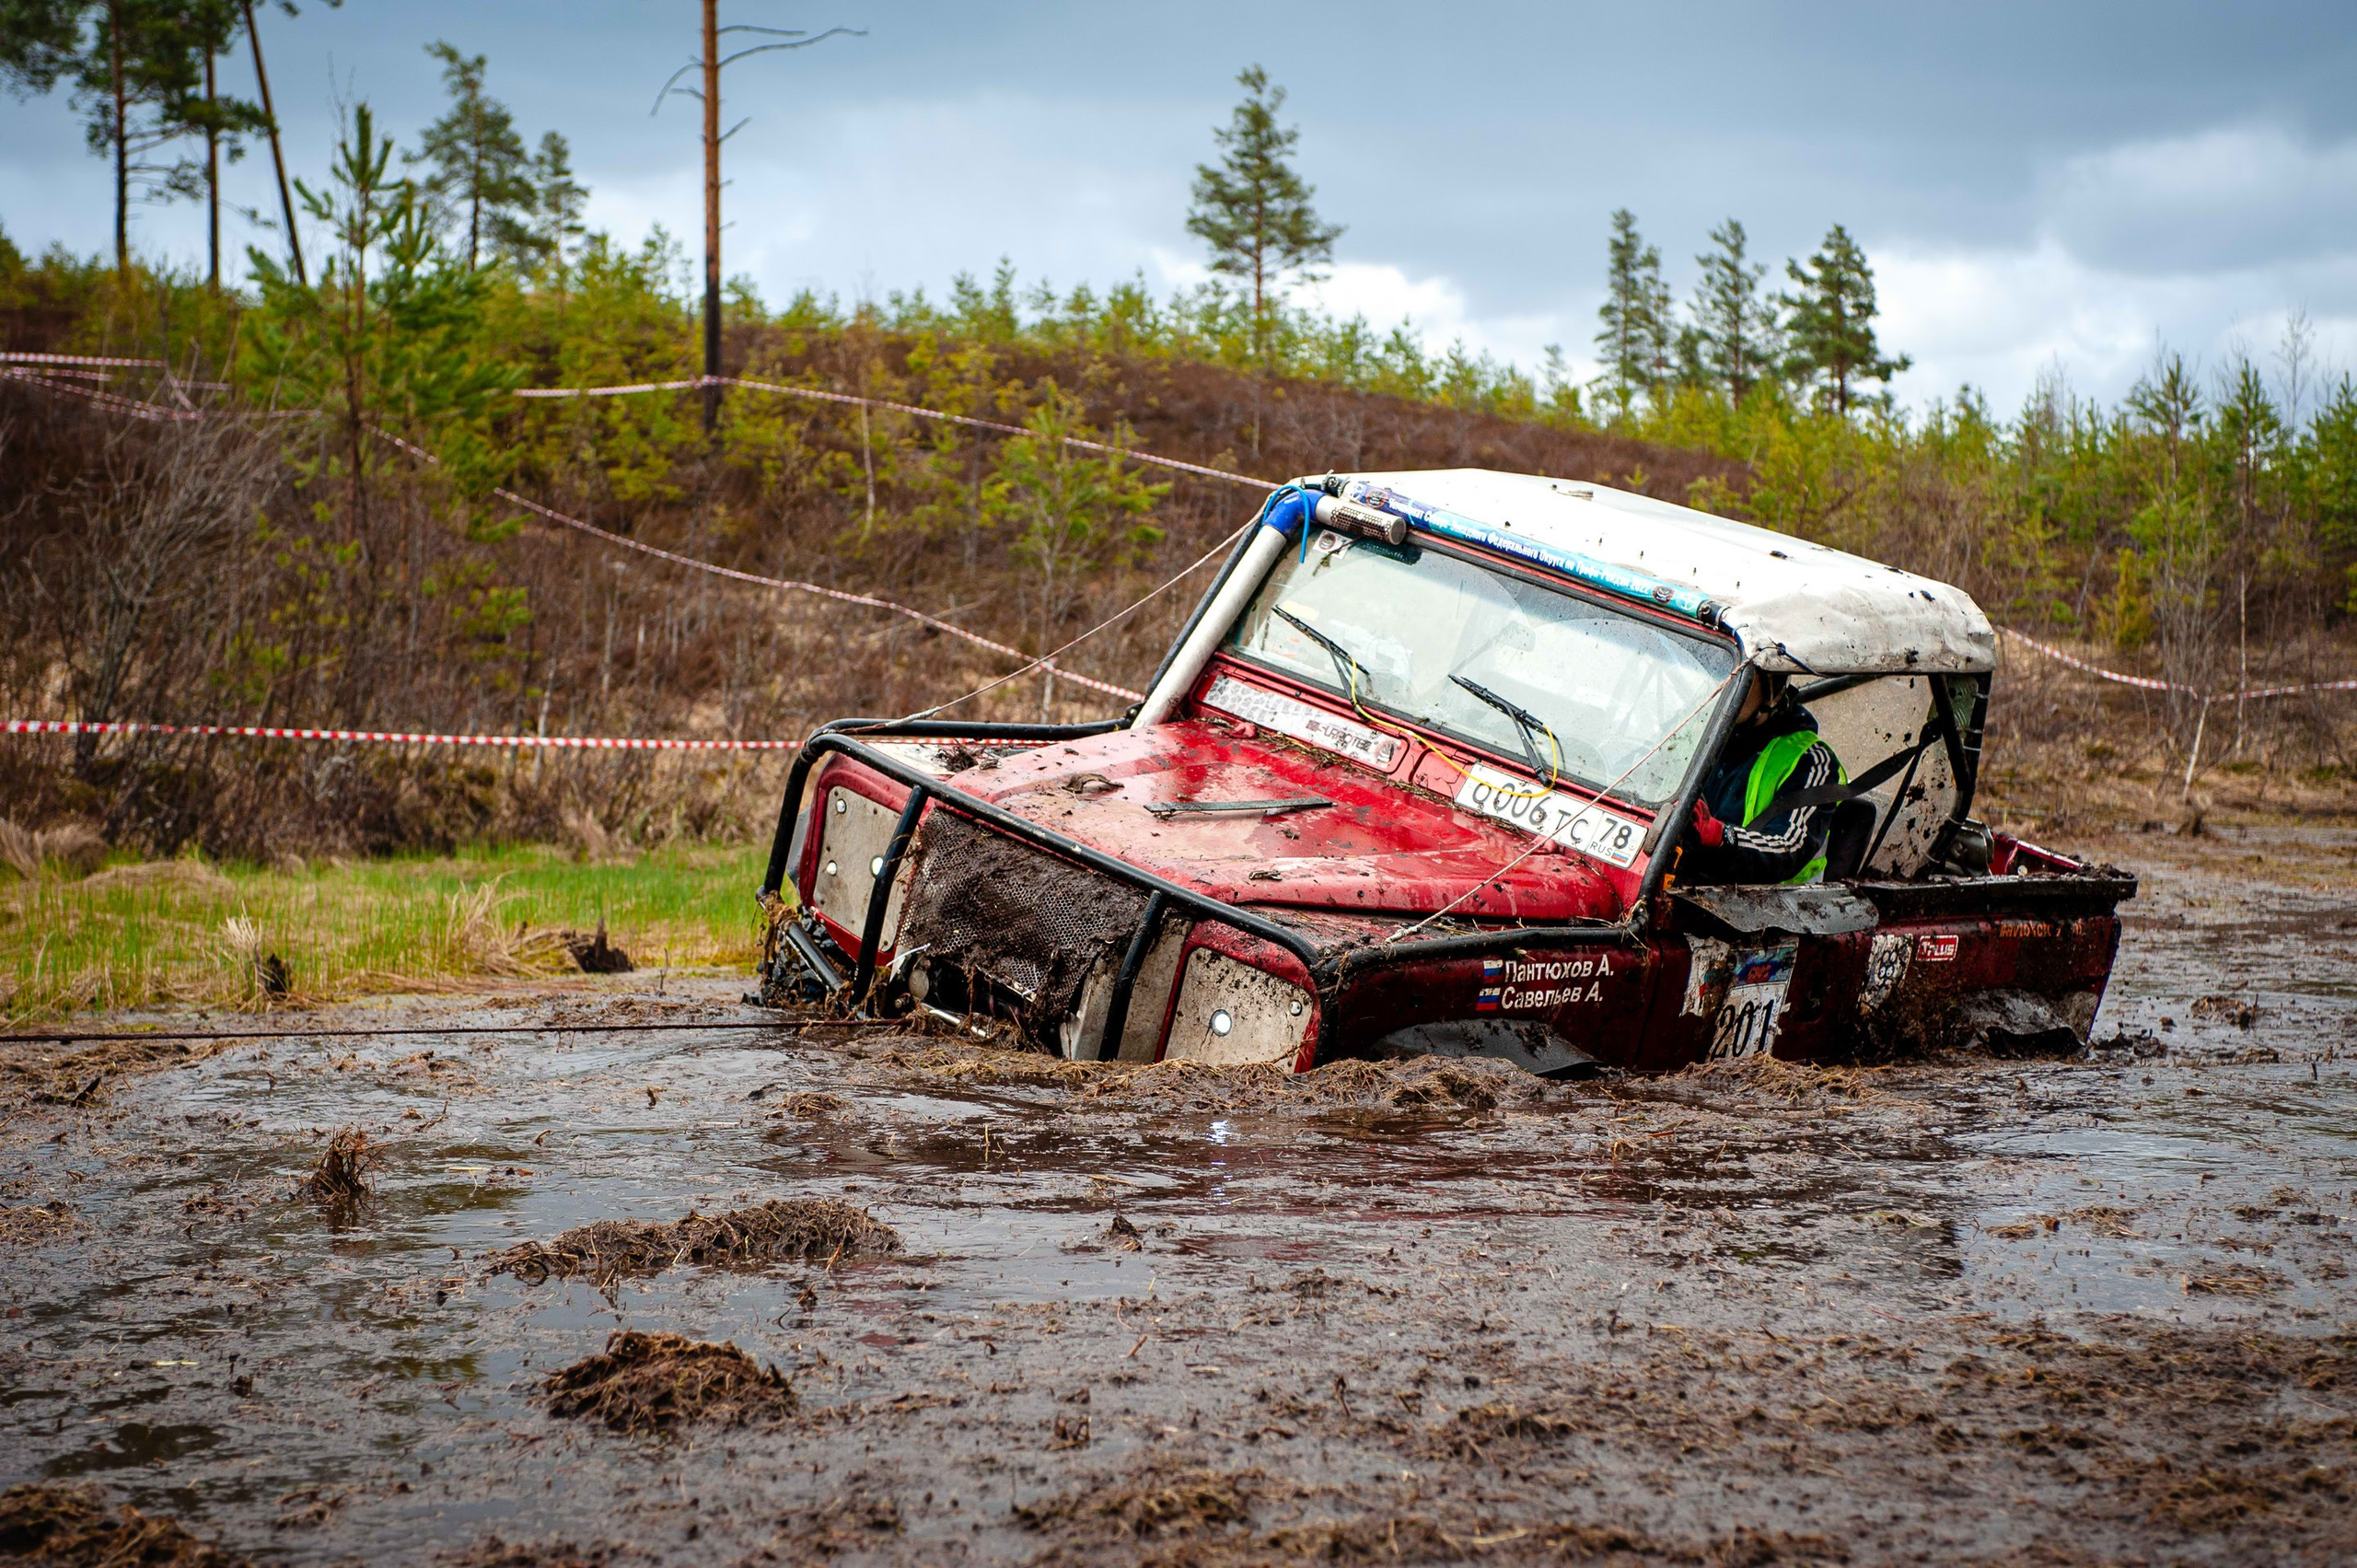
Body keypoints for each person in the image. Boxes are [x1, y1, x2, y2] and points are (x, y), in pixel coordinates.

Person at [1683, 671, 1845, 885]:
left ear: (1774, 689)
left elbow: (1789, 846)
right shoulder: (1692, 729)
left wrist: (1719, 835)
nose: (1723, 683)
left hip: (1772, 905)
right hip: (1687, 880)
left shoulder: (1811, 760)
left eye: (1741, 676)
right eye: (1719, 670)